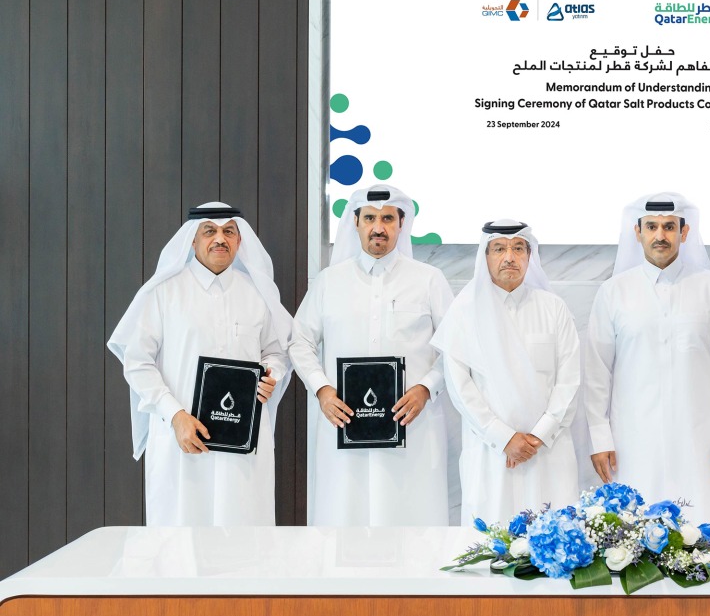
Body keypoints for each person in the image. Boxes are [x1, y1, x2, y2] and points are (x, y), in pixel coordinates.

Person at [108, 203, 292, 525]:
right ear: (192, 240)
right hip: (182, 440)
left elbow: (276, 353)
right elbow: (137, 362)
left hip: (243, 443)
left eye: (229, 232)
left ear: (239, 241)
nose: (220, 239)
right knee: (180, 537)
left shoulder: (257, 295)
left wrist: (270, 374)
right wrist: (175, 415)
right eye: (210, 231)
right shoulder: (164, 293)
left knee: (244, 535)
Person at [289, 184, 455, 525]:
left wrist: (426, 388)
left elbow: (454, 346)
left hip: (412, 429)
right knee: (345, 519)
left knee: (412, 522)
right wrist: (322, 390)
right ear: (355, 222)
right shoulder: (328, 282)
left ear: (401, 223)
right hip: (344, 426)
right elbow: (299, 341)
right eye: (369, 219)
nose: (378, 227)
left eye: (387, 219)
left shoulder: (429, 280)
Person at [583, 193, 710, 524]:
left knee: (701, 532)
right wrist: (600, 438)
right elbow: (597, 372)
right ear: (637, 232)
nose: (660, 235)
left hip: (700, 440)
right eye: (652, 227)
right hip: (632, 441)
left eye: (669, 227)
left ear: (684, 233)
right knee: (633, 533)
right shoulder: (613, 292)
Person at [432, 220, 580, 525]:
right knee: (490, 541)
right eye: (499, 249)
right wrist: (504, 438)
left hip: (547, 451)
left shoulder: (554, 308)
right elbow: (460, 387)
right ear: (485, 257)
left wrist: (537, 436)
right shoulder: (464, 312)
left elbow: (569, 380)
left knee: (555, 537)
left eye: (518, 248)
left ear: (529, 256)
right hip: (491, 452)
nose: (509, 257)